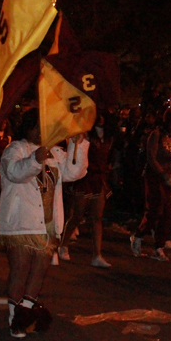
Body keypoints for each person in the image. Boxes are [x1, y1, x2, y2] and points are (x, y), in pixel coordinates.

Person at [0, 108, 87, 337]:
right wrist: (35, 159)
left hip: (48, 224)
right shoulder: (15, 149)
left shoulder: (55, 152)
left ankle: (23, 317)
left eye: (45, 126)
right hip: (21, 223)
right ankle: (13, 316)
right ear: (27, 127)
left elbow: (75, 172)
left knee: (39, 272)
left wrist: (78, 144)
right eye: (37, 126)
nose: (41, 131)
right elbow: (14, 173)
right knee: (20, 270)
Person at [130, 107, 171, 261]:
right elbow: (151, 158)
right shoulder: (156, 135)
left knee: (168, 213)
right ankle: (138, 235)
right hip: (156, 177)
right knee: (155, 209)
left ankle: (159, 246)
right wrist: (163, 174)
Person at [59, 113, 114, 268]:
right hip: (85, 178)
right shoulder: (86, 134)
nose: (102, 117)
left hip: (99, 179)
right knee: (77, 214)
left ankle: (97, 255)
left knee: (97, 217)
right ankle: (63, 244)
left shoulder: (109, 137)